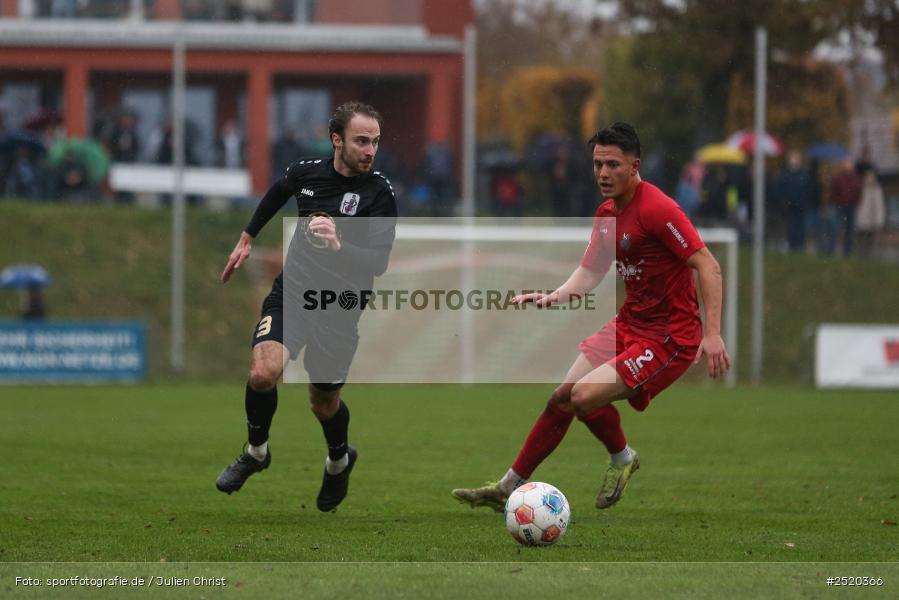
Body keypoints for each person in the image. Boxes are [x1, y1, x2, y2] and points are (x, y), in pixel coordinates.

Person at [452, 123, 729, 511]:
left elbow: (708, 265)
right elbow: (590, 273)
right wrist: (553, 296)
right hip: (629, 324)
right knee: (562, 397)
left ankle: (622, 458)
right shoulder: (606, 213)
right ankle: (507, 487)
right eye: (597, 164)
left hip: (669, 337)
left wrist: (712, 334)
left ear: (635, 166)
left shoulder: (658, 208)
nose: (602, 173)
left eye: (612, 164)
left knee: (583, 396)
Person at [215, 101, 398, 512]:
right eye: (361, 141)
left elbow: (378, 263)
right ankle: (256, 452)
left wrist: (338, 245)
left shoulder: (379, 193)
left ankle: (338, 461)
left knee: (323, 402)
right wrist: (247, 236)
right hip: (291, 296)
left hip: (339, 309)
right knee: (263, 373)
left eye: (375, 142)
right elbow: (278, 192)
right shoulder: (307, 172)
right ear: (338, 140)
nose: (370, 150)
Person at [829, 158, 863, 257]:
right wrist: (838, 202)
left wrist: (856, 202)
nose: (848, 166)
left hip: (851, 207)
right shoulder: (838, 177)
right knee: (837, 229)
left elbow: (859, 192)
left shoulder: (856, 178)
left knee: (850, 230)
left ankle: (847, 252)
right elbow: (833, 191)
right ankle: (832, 249)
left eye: (850, 164)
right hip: (840, 207)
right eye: (846, 164)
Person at [855, 167, 886, 258]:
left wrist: (879, 220)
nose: (870, 179)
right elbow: (859, 206)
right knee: (862, 241)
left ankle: (871, 257)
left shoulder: (877, 191)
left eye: (871, 178)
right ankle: (862, 257)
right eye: (868, 177)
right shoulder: (861, 189)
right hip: (863, 221)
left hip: (873, 221)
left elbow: (880, 207)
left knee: (872, 242)